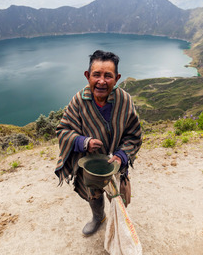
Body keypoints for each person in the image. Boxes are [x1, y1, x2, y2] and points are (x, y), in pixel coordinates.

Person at [55, 50, 142, 236]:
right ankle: (98, 217)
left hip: (117, 161)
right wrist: (83, 142)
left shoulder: (124, 100)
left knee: (118, 196)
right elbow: (62, 130)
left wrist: (121, 155)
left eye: (108, 76)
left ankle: (119, 220)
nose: (102, 81)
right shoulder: (79, 101)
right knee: (93, 193)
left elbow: (134, 134)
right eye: (96, 75)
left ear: (117, 78)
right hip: (92, 163)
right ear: (88, 76)